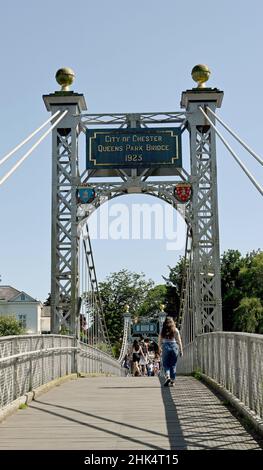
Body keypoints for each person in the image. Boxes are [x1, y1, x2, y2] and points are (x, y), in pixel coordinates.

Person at [159, 316, 183, 387]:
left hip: (165, 346)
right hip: (174, 346)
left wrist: (159, 348)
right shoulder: (175, 330)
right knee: (173, 365)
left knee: (166, 364)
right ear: (172, 323)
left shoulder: (162, 330)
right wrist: (181, 350)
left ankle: (168, 377)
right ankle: (172, 381)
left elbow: (159, 341)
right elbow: (179, 341)